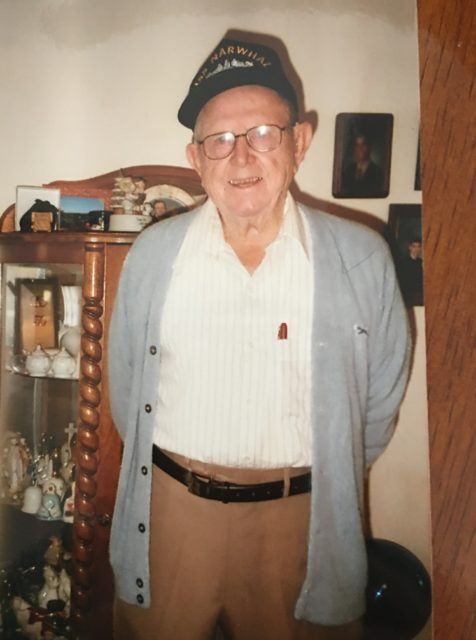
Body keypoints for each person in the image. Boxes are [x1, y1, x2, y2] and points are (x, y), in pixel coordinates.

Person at [108, 33, 411, 640]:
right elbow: (125, 394)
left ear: (299, 141)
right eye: (218, 140)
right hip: (172, 517)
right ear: (194, 159)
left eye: (263, 134)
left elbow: (375, 408)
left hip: (300, 526)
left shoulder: (361, 258)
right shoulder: (151, 256)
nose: (241, 158)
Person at [341, 132, 385, 197]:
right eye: (357, 145)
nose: (360, 148)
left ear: (369, 147)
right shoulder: (347, 171)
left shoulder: (378, 173)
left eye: (363, 145)